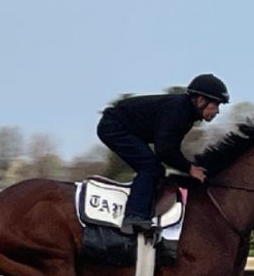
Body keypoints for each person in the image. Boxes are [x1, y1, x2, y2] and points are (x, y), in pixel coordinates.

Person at [96, 73, 229, 234]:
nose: (217, 111)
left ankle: (141, 213)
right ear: (201, 100)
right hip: (113, 126)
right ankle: (133, 217)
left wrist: (188, 166)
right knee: (150, 167)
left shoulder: (185, 113)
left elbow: (169, 150)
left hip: (124, 127)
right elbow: (165, 151)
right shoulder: (179, 111)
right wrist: (189, 168)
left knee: (155, 169)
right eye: (216, 105)